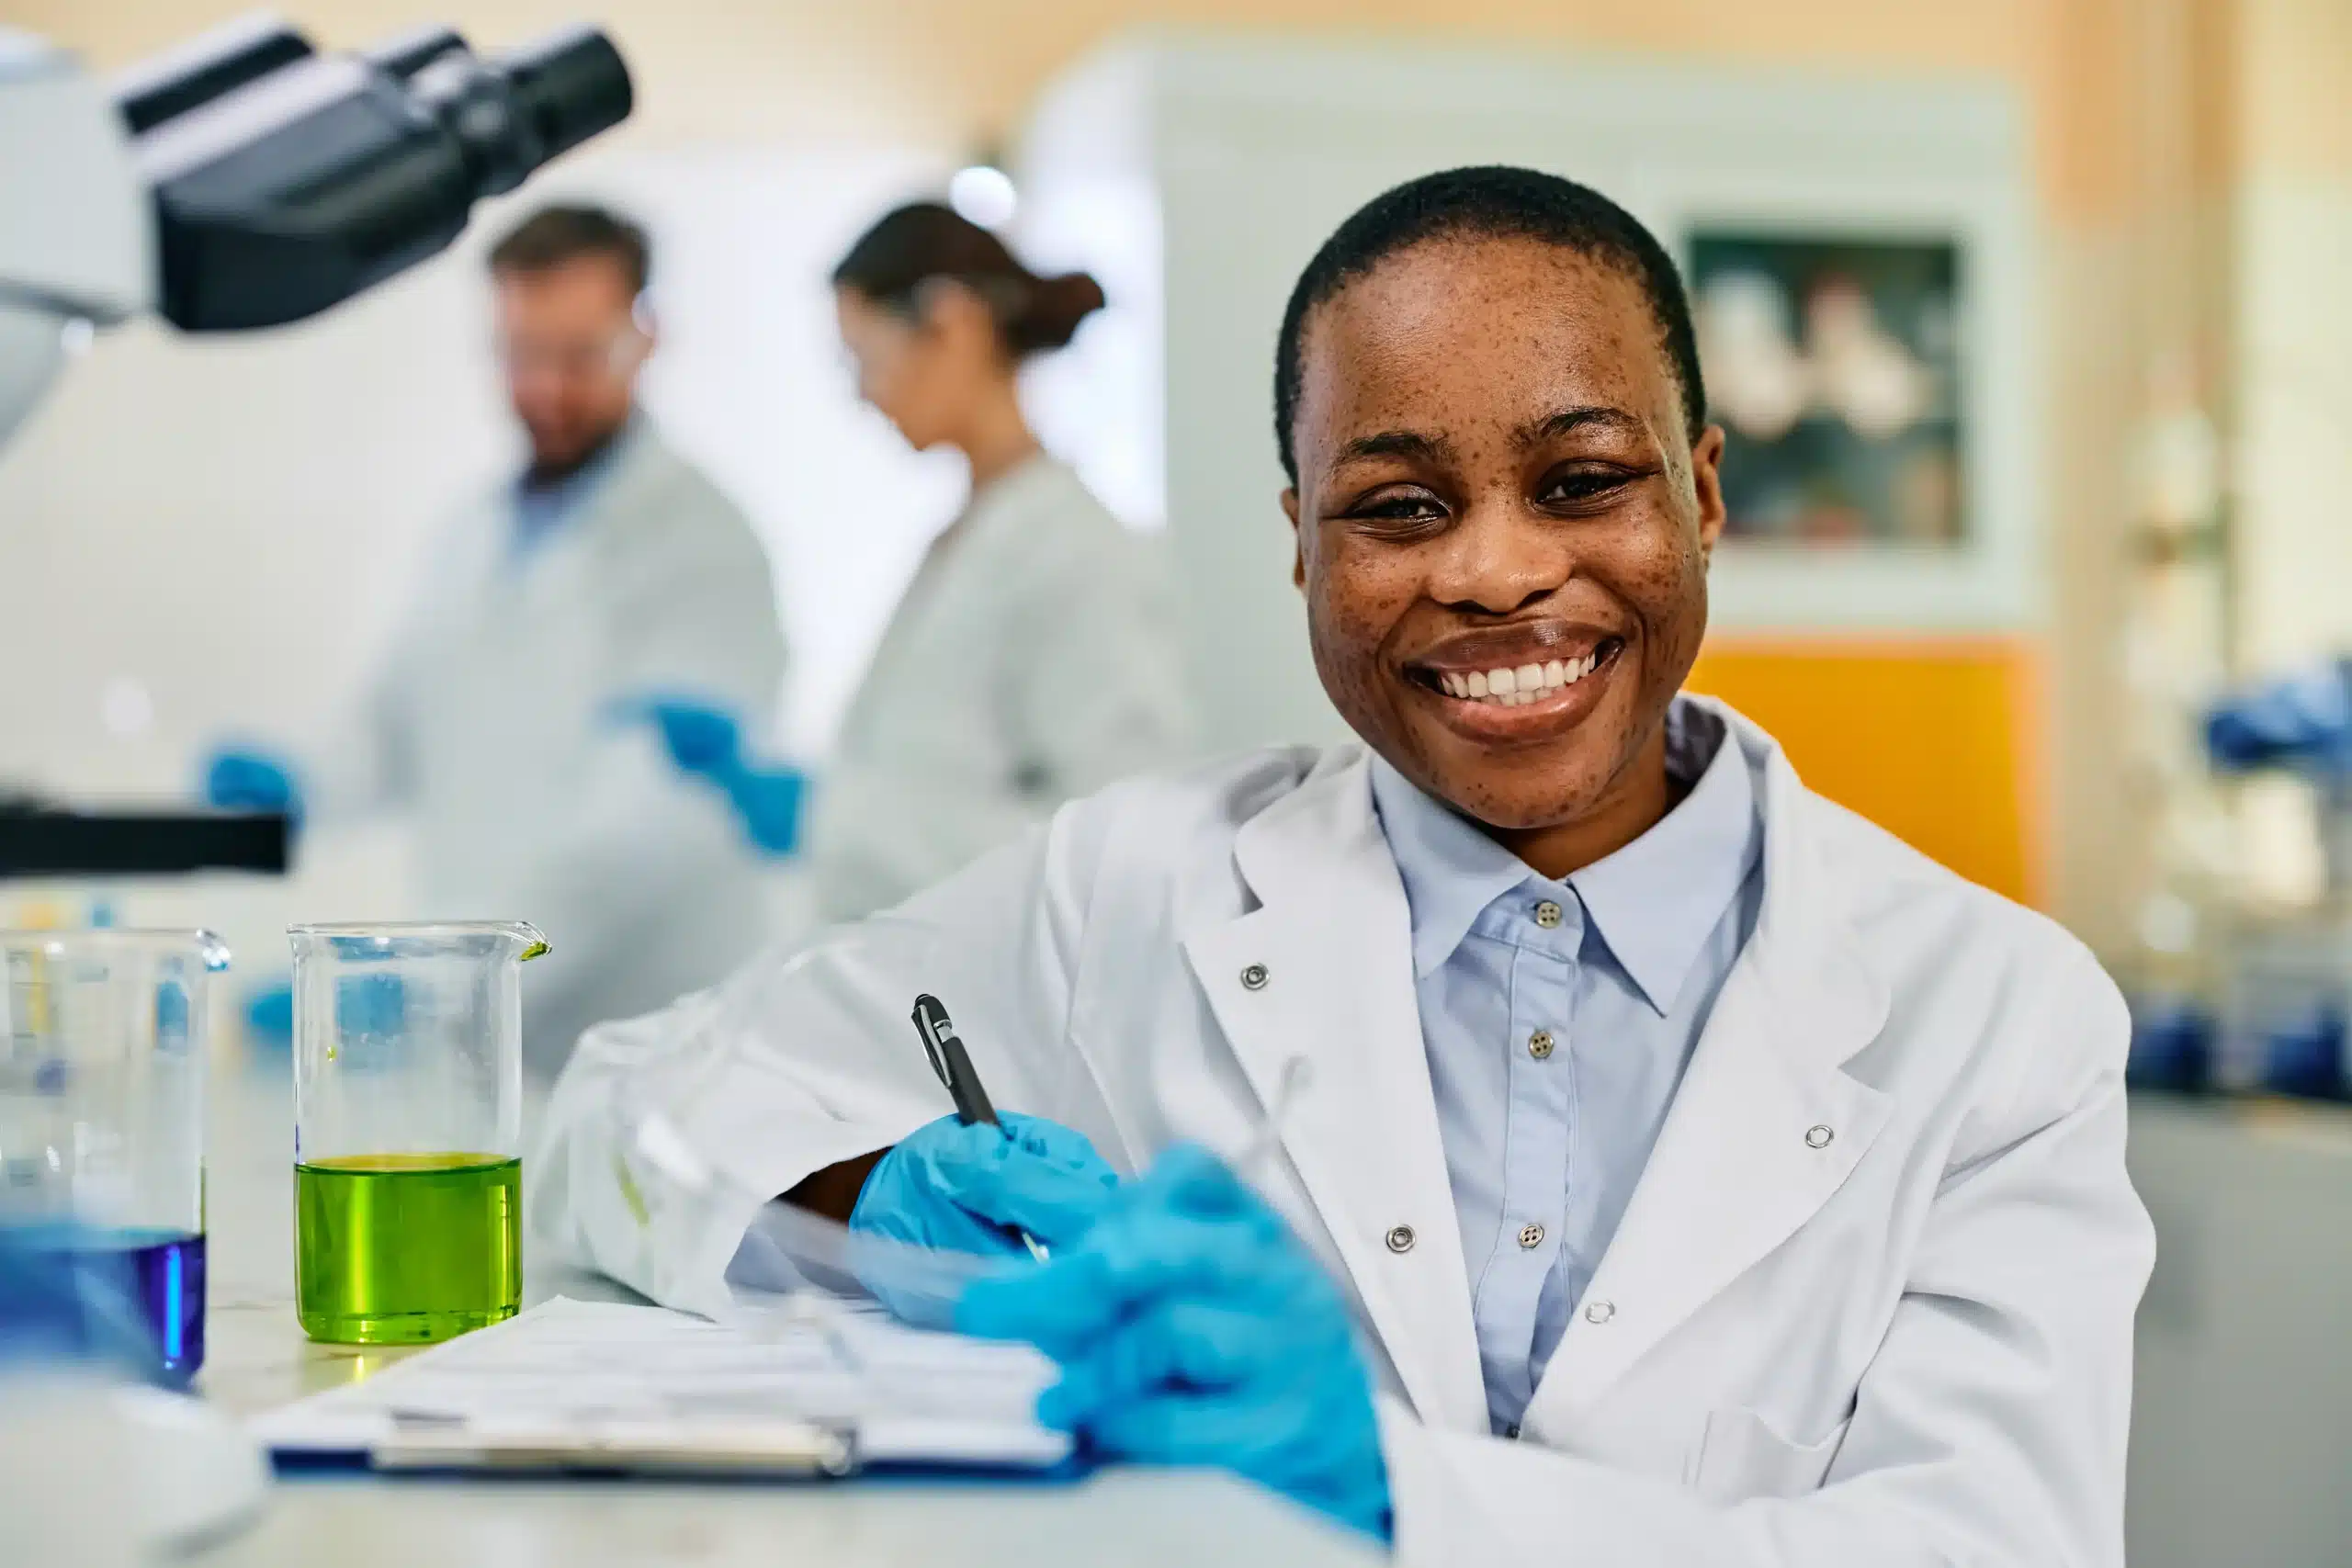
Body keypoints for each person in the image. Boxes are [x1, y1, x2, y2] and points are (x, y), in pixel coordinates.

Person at [534, 169, 2153, 1562]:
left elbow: (1992, 1541)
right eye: (1398, 505)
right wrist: (862, 1190)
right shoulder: (1136, 885)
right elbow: (629, 1104)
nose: (1499, 568)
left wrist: (1401, 1496)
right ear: (1301, 536)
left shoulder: (1999, 1019)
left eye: (1582, 479)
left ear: (1706, 493)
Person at [205, 205, 786, 1072]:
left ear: (647, 337)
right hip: (478, 1029)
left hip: (640, 1041)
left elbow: (633, 842)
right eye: (522, 356)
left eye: (579, 356)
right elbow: (397, 725)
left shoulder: (704, 547)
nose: (546, 389)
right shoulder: (468, 533)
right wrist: (297, 785)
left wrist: (429, 984)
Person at [619, 201, 1191, 923]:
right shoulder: (976, 532)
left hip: (1004, 1015)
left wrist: (826, 820)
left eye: (865, 358)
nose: (863, 395)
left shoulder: (1077, 551)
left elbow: (1115, 849)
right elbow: (939, 772)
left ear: (950, 324)